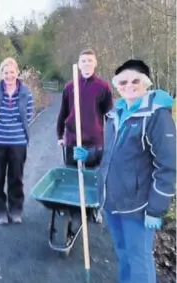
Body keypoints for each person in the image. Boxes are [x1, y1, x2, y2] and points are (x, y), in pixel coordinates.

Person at [73, 59, 176, 283]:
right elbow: (111, 151)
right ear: (117, 85)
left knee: (139, 260)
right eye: (123, 82)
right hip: (113, 201)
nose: (129, 85)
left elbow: (167, 167)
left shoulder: (157, 117)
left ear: (146, 83)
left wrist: (156, 209)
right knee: (123, 253)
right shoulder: (115, 113)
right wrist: (90, 154)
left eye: (135, 80)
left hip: (138, 207)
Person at [0, 57, 34, 225]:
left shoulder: (26, 93)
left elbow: (28, 115)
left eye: (12, 72)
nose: (9, 75)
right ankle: (0, 210)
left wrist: (16, 130)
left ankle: (15, 209)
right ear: (2, 74)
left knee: (16, 177)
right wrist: (0, 129)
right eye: (6, 72)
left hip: (18, 142)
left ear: (17, 73)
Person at [57, 48, 113, 168]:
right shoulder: (70, 87)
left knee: (92, 179)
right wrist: (60, 135)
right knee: (72, 178)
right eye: (83, 61)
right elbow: (63, 113)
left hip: (94, 142)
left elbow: (109, 115)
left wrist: (111, 137)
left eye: (90, 60)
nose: (87, 63)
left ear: (95, 63)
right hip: (73, 141)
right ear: (79, 64)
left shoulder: (103, 87)